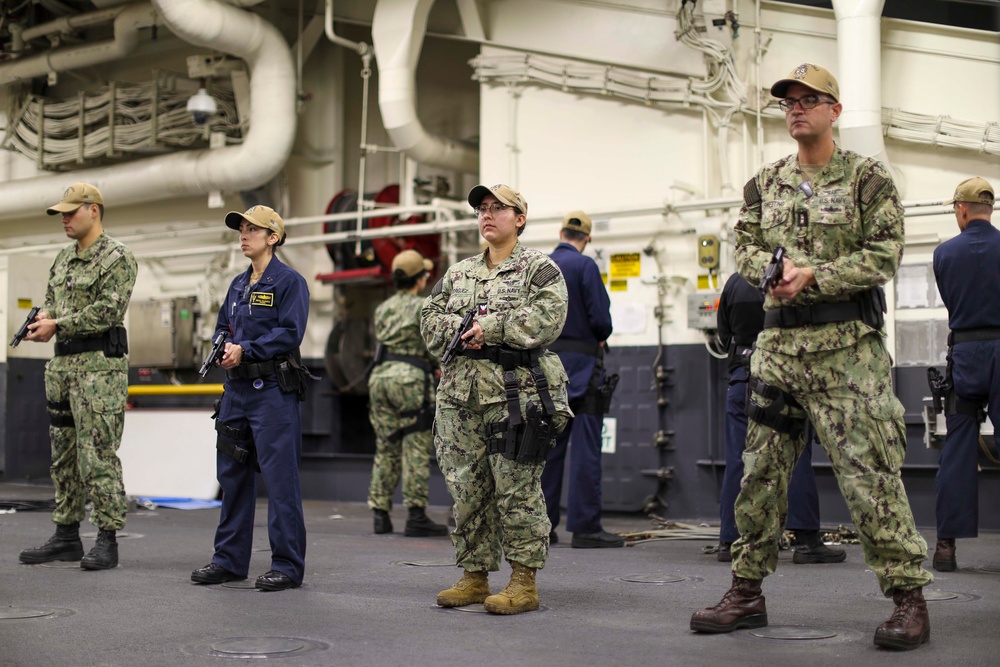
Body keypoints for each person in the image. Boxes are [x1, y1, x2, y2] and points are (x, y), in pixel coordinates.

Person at [690, 63, 934, 651]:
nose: (796, 108)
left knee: (870, 476)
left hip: (846, 351)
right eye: (788, 101)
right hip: (777, 351)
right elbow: (743, 243)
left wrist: (813, 275)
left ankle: (908, 599)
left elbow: (884, 255)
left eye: (809, 99)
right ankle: (746, 593)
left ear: (835, 110)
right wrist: (767, 274)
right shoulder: (764, 183)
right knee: (760, 477)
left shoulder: (866, 179)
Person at [421, 184, 571, 615]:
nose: (487, 215)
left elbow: (547, 319)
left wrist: (492, 327)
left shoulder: (539, 270)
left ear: (519, 218)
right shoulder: (459, 272)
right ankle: (474, 575)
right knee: (466, 488)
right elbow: (428, 319)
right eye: (482, 209)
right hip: (458, 394)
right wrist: (457, 329)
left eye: (498, 209)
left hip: (515, 394)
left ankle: (524, 582)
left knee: (516, 488)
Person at [190, 205, 310, 592]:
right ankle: (229, 560)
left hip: (272, 392)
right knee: (233, 478)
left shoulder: (289, 282)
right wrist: (222, 347)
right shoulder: (238, 285)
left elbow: (290, 333)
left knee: (280, 482)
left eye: (253, 229)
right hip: (236, 393)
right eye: (241, 228)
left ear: (273, 238)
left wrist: (248, 349)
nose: (243, 234)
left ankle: (287, 566)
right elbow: (223, 325)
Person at [18, 182, 137, 571]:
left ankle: (106, 538)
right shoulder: (62, 260)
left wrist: (58, 324)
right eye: (62, 213)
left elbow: (108, 311)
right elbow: (52, 307)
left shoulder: (117, 257)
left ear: (94, 211)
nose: (65, 219)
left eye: (71, 211)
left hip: (98, 371)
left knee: (97, 456)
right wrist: (42, 321)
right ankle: (66, 536)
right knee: (63, 457)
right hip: (62, 369)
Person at [715, 272, 845, 564]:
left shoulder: (734, 282)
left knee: (739, 458)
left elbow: (724, 336)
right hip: (781, 377)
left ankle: (729, 540)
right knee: (795, 454)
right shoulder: (790, 278)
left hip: (741, 378)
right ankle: (807, 542)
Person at [541, 211, 621, 548]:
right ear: (586, 239)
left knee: (547, 451)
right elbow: (601, 320)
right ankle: (586, 527)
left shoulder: (541, 266)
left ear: (561, 233)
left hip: (546, 369)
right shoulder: (585, 266)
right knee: (587, 448)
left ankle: (542, 526)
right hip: (584, 369)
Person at [931, 177, 998, 572]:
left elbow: (950, 298)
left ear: (961, 209)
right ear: (990, 209)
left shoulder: (944, 254)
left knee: (957, 450)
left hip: (967, 353)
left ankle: (945, 548)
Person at [367, 249, 448, 537]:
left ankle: (380, 513)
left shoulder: (382, 308)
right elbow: (434, 345)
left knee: (386, 445)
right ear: (420, 279)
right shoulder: (422, 306)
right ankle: (415, 515)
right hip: (411, 380)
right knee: (415, 444)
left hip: (380, 379)